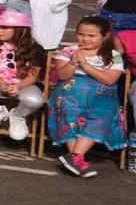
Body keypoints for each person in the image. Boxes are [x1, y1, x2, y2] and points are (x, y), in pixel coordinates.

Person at [46, 16, 125, 178]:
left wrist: (86, 65)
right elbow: (62, 75)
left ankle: (74, 156)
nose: (85, 39)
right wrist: (74, 63)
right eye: (81, 34)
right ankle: (77, 158)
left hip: (102, 92)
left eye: (91, 35)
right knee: (68, 105)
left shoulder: (113, 55)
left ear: (105, 36)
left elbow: (110, 79)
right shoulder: (68, 51)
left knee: (103, 112)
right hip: (71, 88)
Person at [0, 6, 45, 143]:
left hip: (25, 83)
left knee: (35, 101)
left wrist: (19, 86)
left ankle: (18, 115)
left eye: (4, 27)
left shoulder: (36, 49)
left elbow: (34, 75)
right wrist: (0, 83)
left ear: (19, 30)